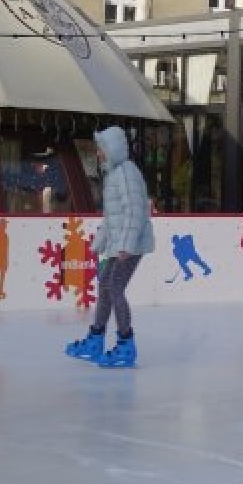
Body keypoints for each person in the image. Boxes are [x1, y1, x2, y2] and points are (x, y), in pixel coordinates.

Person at [66, 126, 155, 367]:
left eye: (101, 149)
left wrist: (126, 245)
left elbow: (135, 211)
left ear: (112, 149)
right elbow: (110, 218)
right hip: (121, 244)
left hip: (131, 245)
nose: (98, 154)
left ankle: (126, 344)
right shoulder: (114, 175)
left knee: (114, 287)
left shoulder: (127, 173)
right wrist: (98, 244)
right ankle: (96, 338)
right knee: (105, 284)